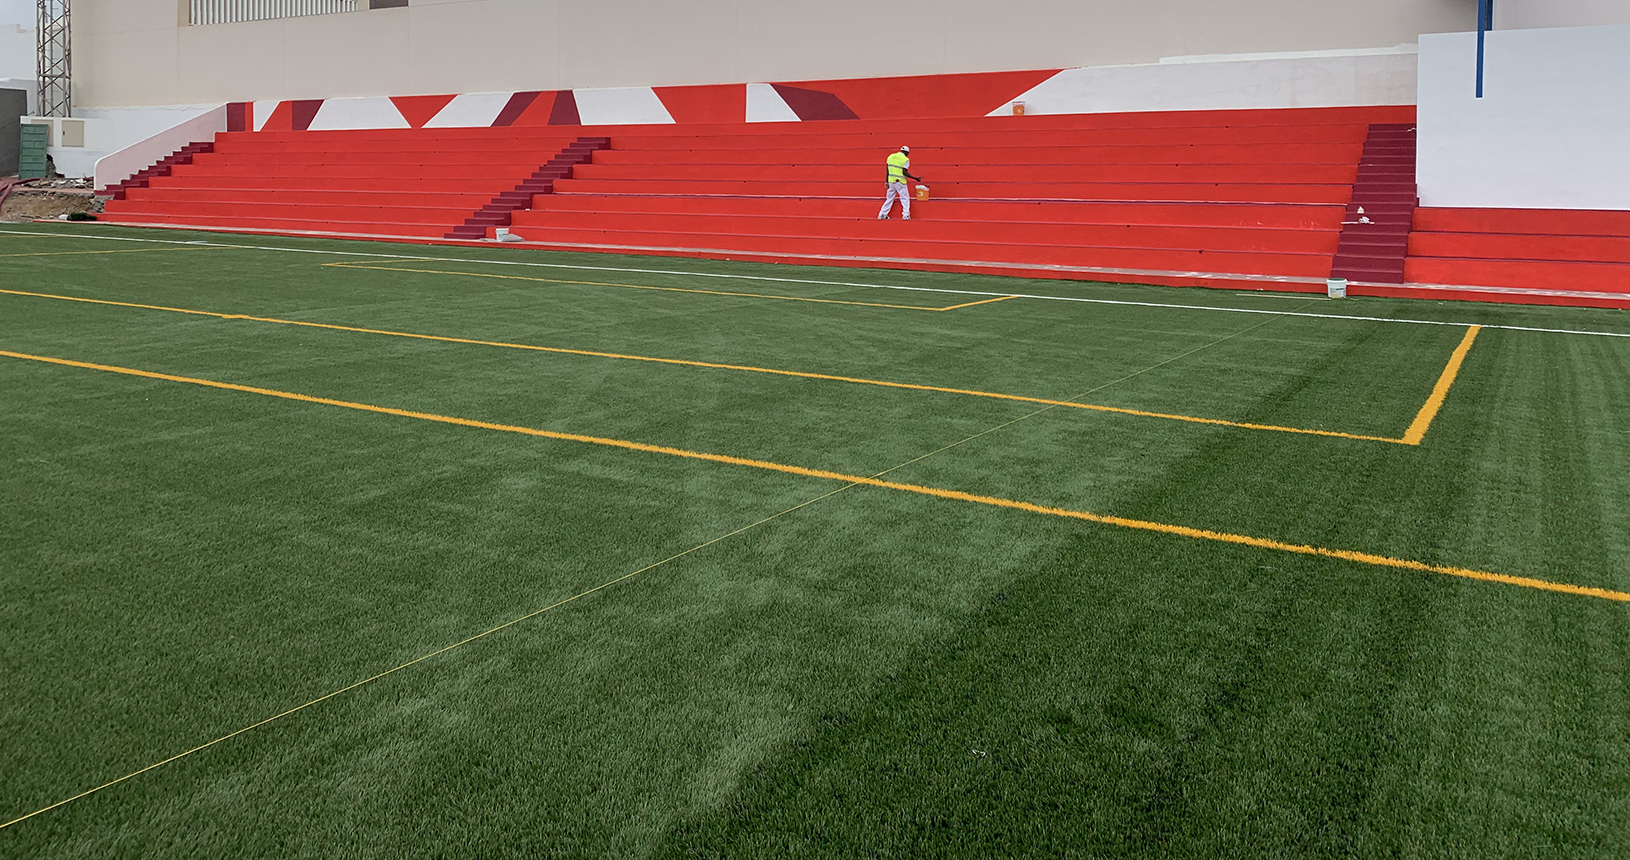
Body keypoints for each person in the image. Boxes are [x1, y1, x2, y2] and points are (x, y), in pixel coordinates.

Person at [877, 146, 923, 220]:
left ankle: (882, 214)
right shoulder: (905, 159)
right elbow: (904, 172)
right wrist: (915, 178)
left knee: (889, 199)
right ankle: (905, 215)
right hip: (900, 182)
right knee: (905, 198)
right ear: (907, 153)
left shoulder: (890, 157)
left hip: (891, 181)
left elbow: (887, 170)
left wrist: (886, 181)